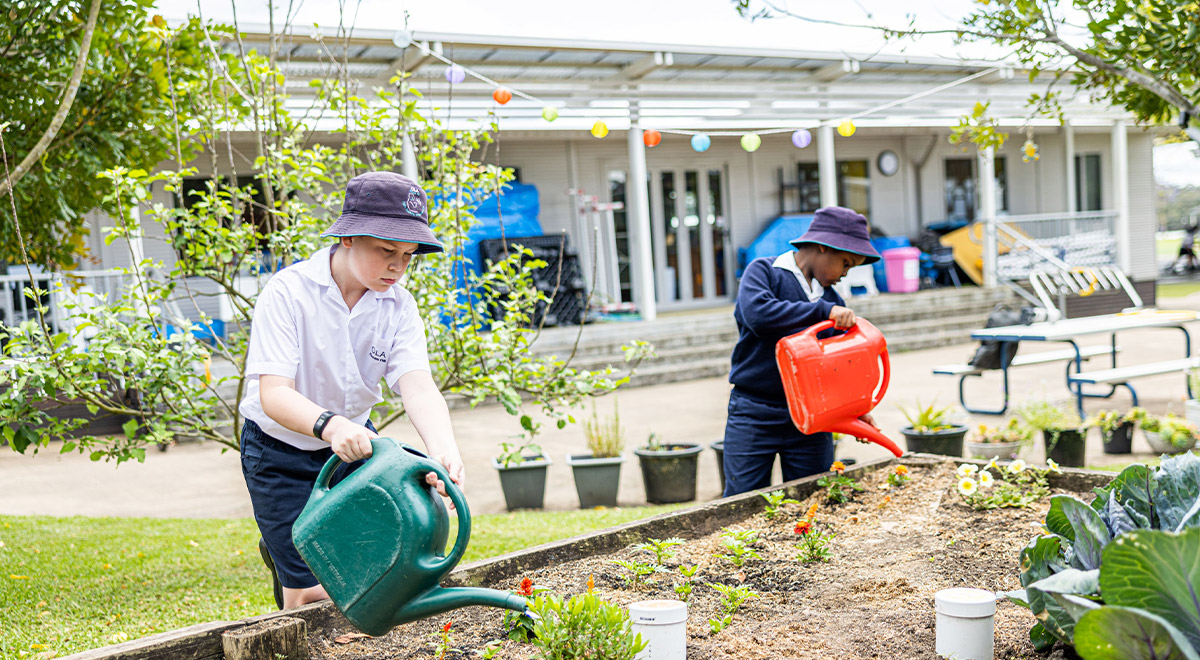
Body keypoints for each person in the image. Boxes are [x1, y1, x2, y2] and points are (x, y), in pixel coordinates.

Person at [239, 171, 465, 610]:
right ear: (348, 237)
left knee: (369, 567)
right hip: (278, 449)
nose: (398, 267)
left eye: (408, 255)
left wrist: (443, 451)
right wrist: (329, 425)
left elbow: (417, 386)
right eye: (386, 251)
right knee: (307, 595)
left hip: (358, 447)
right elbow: (274, 394)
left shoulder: (399, 305)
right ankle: (285, 558)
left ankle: (291, 556)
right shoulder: (288, 293)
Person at [722, 206, 881, 496]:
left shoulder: (831, 298)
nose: (845, 274)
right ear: (824, 246)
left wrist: (855, 409)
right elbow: (759, 315)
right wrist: (823, 311)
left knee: (812, 499)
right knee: (741, 504)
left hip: (812, 417)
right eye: (845, 263)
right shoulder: (764, 272)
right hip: (754, 412)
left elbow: (834, 367)